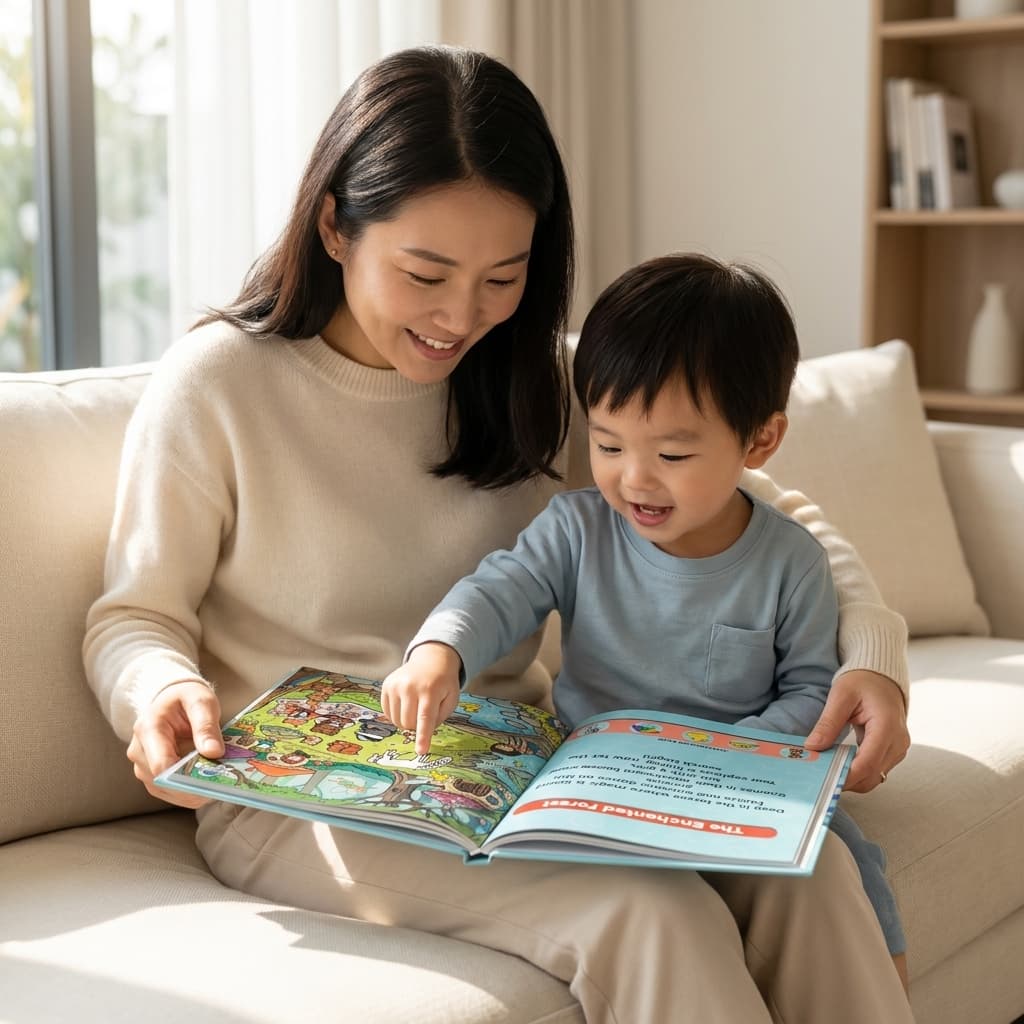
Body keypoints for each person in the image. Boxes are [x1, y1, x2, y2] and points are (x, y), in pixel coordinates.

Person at [83, 45, 913, 1023]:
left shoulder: (531, 380)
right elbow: (131, 615)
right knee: (653, 915)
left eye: (502, 276)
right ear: (335, 226)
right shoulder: (220, 384)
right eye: (425, 272)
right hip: (308, 799)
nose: (459, 317)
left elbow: (771, 515)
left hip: (526, 764)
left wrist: (873, 663)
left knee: (802, 874)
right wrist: (160, 688)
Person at [382, 252, 908, 989]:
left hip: (735, 789)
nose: (635, 477)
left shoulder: (791, 562)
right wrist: (440, 650)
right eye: (607, 445)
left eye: (673, 452)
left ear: (759, 441)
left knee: (833, 864)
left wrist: (725, 755)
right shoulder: (576, 530)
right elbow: (500, 589)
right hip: (602, 793)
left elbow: (813, 698)